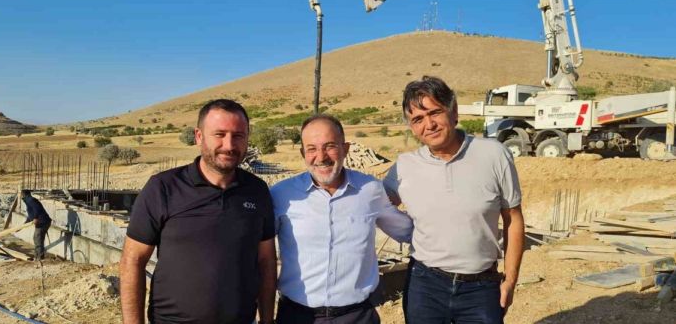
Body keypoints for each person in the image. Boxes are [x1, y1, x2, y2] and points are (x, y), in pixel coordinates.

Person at [119, 99, 277, 324]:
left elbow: (266, 261)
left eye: (238, 135)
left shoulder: (257, 190)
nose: (229, 145)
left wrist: (267, 320)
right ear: (199, 136)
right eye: (219, 134)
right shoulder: (163, 188)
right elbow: (133, 261)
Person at [384, 76, 525, 324]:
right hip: (424, 286)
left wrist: (510, 280)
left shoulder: (494, 155)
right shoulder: (404, 166)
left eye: (435, 112)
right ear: (412, 127)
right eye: (418, 119)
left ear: (454, 111)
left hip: (480, 287)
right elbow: (373, 206)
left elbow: (513, 219)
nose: (429, 125)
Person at [271, 114, 413, 324]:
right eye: (311, 148)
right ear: (303, 153)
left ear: (345, 149)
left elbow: (406, 231)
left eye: (330, 146)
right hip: (297, 317)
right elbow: (259, 251)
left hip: (357, 316)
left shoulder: (370, 190)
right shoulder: (282, 194)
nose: (321, 157)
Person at [21, 190, 52, 260]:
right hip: (42, 222)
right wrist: (24, 224)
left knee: (38, 238)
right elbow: (31, 215)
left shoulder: (30, 200)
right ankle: (38, 255)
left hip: (43, 222)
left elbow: (37, 209)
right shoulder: (28, 200)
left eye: (21, 194)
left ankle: (39, 257)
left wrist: (35, 218)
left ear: (23, 194)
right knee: (36, 238)